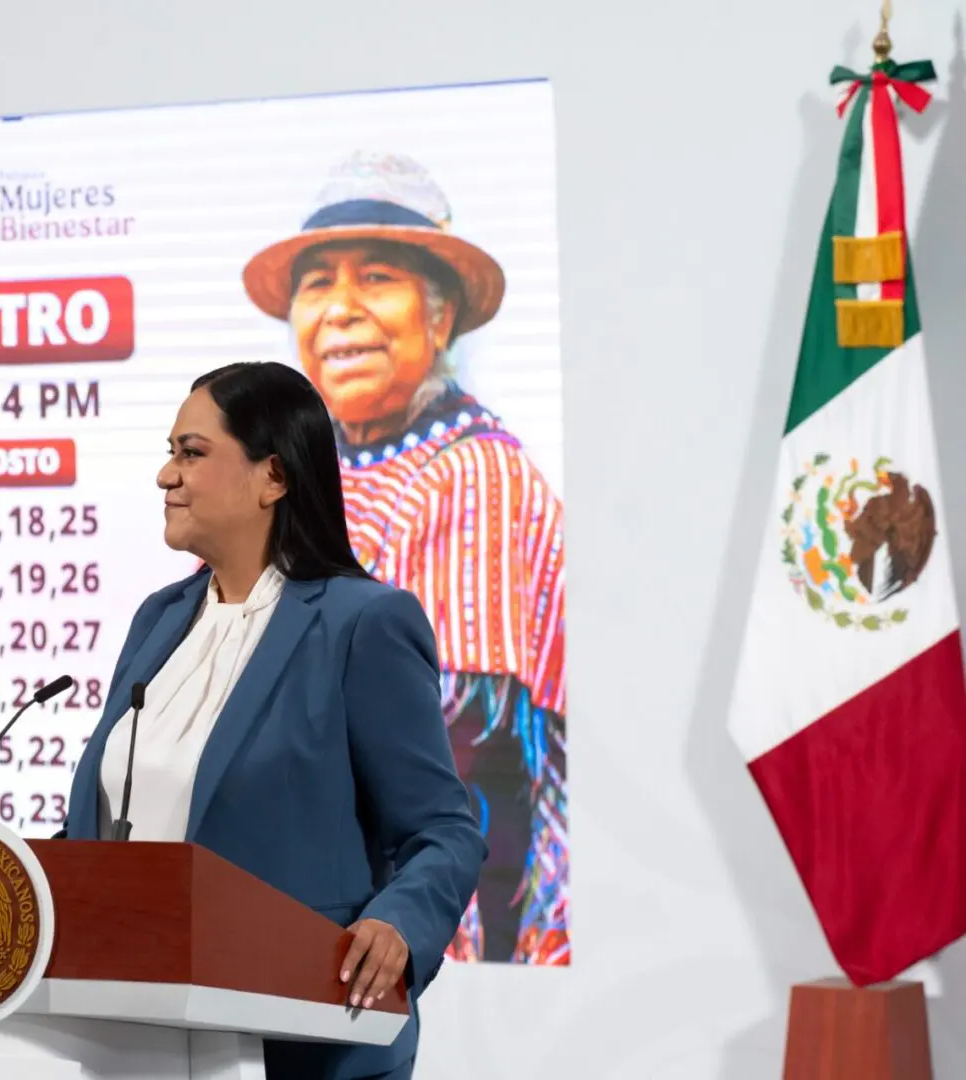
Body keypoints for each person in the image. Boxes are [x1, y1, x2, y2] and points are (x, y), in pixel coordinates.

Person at [61, 361, 485, 1080]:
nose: (167, 476)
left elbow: (443, 829)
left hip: (300, 1041)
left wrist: (400, 926)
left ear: (275, 477)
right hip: (136, 1035)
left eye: (192, 453)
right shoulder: (158, 621)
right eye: (170, 453)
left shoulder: (363, 624)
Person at [241, 151, 568, 965]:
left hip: (434, 920)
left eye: (377, 277)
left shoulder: (470, 470)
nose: (341, 312)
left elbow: (450, 754)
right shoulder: (320, 472)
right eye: (317, 286)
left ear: (441, 316)